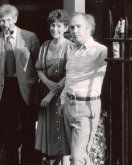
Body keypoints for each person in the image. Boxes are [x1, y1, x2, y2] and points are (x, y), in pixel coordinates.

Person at [0, 4, 40, 165]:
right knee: (9, 128)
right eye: (1, 21)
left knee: (28, 126)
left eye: (8, 20)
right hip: (7, 87)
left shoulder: (29, 37)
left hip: (27, 86)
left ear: (15, 19)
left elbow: (37, 62)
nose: (5, 24)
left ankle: (29, 161)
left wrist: (31, 81)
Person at [59, 13, 107, 165]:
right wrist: (62, 100)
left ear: (89, 28)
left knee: (78, 157)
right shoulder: (72, 49)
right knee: (72, 156)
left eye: (78, 27)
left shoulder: (100, 50)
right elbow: (70, 77)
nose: (74, 31)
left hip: (85, 107)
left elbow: (119, 59)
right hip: (68, 105)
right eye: (72, 27)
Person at [35, 9, 72, 165]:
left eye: (58, 26)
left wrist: (51, 93)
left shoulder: (69, 46)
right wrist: (46, 83)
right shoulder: (45, 45)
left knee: (63, 136)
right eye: (52, 25)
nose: (54, 29)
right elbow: (38, 69)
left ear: (65, 28)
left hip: (62, 94)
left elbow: (69, 73)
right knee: (49, 138)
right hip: (46, 92)